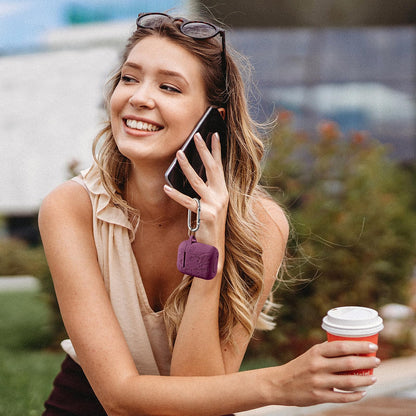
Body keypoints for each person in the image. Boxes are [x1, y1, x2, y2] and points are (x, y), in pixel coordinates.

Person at [39, 12, 380, 416]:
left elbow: (198, 397)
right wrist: (277, 384)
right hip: (86, 404)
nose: (139, 97)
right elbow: (117, 399)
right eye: (130, 78)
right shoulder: (71, 208)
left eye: (169, 87)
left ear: (211, 121)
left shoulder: (259, 225)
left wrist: (208, 250)